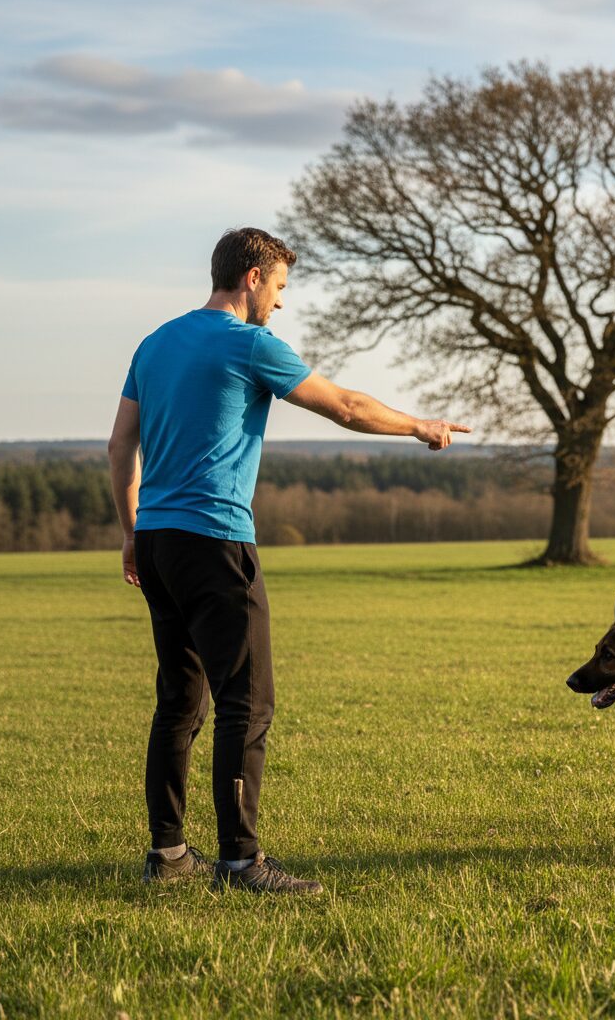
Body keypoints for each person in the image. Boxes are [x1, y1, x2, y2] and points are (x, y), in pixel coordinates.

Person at [108, 227, 471, 894]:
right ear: (251, 278)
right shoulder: (249, 344)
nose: (280, 304)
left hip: (157, 540)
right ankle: (242, 862)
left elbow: (119, 445)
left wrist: (132, 533)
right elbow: (348, 408)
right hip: (215, 541)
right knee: (245, 702)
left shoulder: (155, 343)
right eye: (278, 288)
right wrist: (420, 425)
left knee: (180, 701)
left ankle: (167, 855)